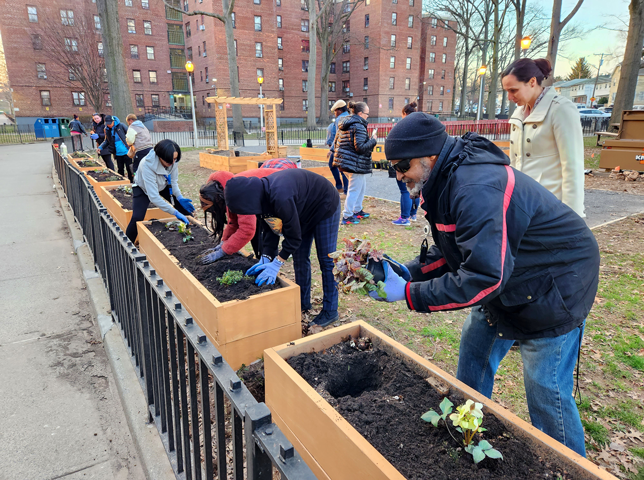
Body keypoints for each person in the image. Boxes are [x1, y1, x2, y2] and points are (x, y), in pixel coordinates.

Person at [374, 113, 599, 457]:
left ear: (429, 156)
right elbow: (457, 249)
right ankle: (468, 436)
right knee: (474, 359)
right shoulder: (446, 178)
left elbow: (483, 277)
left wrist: (409, 294)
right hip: (509, 277)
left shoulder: (475, 186)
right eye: (393, 168)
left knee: (545, 388)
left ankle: (571, 466)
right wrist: (409, 273)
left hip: (557, 284)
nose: (399, 175)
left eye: (402, 166)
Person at [225, 169, 341, 327]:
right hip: (303, 210)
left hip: (325, 204)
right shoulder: (261, 194)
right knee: (300, 257)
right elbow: (271, 227)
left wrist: (278, 262)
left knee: (326, 260)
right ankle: (302, 302)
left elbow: (293, 238)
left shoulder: (280, 196)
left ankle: (330, 310)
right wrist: (266, 256)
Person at [503, 58, 585, 217]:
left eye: (513, 90)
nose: (509, 97)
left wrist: (572, 216)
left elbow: (572, 166)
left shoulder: (560, 109)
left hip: (550, 207)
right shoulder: (519, 114)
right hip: (522, 205)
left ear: (532, 82)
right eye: (507, 91)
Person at [197, 166, 289, 264]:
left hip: (285, 190)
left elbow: (247, 230)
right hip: (267, 197)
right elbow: (234, 222)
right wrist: (224, 242)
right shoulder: (225, 189)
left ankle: (269, 265)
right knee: (263, 234)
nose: (215, 213)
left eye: (214, 210)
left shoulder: (239, 194)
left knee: (272, 234)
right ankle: (264, 262)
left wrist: (223, 251)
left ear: (218, 200)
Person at [125, 140, 195, 242]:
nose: (173, 163)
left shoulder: (172, 160)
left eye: (175, 159)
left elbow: (174, 182)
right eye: (170, 161)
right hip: (143, 187)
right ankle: (127, 244)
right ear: (160, 157)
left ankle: (192, 232)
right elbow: (154, 197)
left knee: (183, 208)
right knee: (137, 217)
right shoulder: (147, 165)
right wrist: (174, 212)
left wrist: (179, 198)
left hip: (163, 184)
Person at [334, 101, 377, 225]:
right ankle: (347, 216)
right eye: (367, 114)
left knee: (360, 187)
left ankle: (357, 210)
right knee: (354, 189)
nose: (367, 116)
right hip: (354, 163)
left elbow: (338, 142)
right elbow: (360, 147)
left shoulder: (346, 123)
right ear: (360, 113)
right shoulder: (358, 125)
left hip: (346, 162)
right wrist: (373, 140)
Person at [392, 102, 420, 226]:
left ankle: (404, 218)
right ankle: (413, 214)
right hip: (418, 163)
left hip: (404, 162)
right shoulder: (420, 127)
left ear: (404, 113)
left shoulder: (402, 127)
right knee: (415, 189)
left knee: (405, 191)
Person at [98, 115, 133, 182]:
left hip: (127, 152)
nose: (109, 125)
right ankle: (122, 182)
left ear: (113, 121)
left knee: (129, 168)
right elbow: (107, 141)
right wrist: (100, 147)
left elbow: (129, 135)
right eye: (107, 124)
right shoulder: (107, 130)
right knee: (120, 169)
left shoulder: (121, 126)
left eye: (110, 123)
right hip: (117, 153)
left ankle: (131, 182)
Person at [327, 100, 350, 195]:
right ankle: (341, 187)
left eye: (335, 111)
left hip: (340, 148)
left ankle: (344, 189)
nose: (335, 113)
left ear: (339, 110)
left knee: (341, 169)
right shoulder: (350, 117)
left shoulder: (339, 120)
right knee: (339, 167)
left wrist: (331, 150)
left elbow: (337, 136)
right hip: (348, 147)